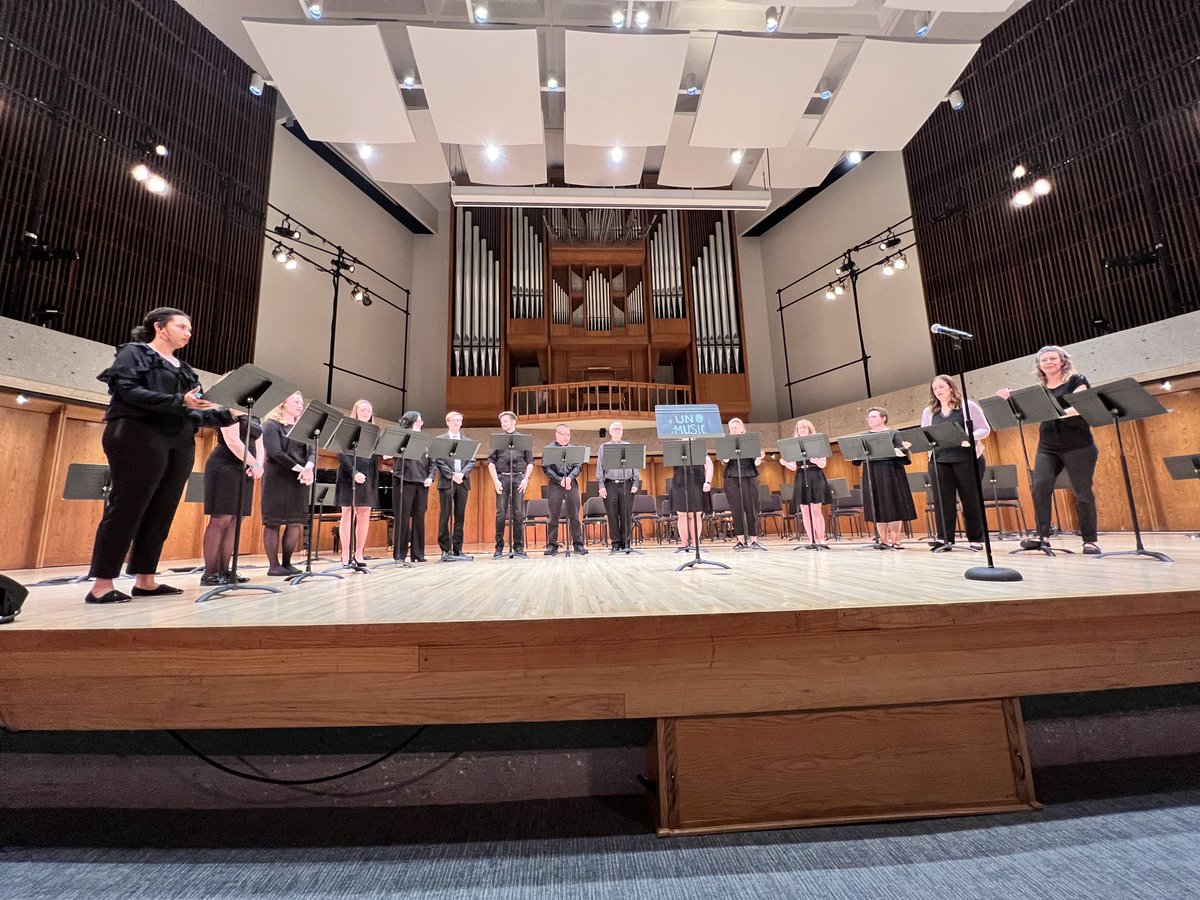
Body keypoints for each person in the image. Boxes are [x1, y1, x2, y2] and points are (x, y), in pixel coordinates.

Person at [85, 307, 239, 603]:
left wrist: (227, 415)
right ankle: (102, 584)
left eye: (190, 328)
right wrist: (179, 401)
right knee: (127, 507)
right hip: (137, 434)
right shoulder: (135, 353)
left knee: (162, 510)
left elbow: (194, 412)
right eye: (182, 326)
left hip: (179, 440)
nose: (188, 332)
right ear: (159, 327)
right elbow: (128, 391)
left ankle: (145, 579)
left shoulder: (185, 370)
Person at [998, 345, 1100, 554]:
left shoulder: (1076, 380)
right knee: (1040, 486)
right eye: (1044, 360)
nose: (1048, 362)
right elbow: (1025, 410)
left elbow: (1080, 406)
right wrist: (1009, 397)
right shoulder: (1040, 390)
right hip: (1048, 445)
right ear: (1039, 365)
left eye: (1053, 358)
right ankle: (1042, 536)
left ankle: (1090, 540)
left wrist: (1053, 412)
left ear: (1062, 361)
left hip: (1078, 443)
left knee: (1082, 492)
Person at [921, 375, 991, 552]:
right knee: (942, 501)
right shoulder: (929, 412)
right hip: (939, 460)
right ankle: (945, 538)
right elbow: (925, 434)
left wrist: (968, 437)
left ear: (951, 387)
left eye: (941, 386)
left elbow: (984, 429)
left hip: (967, 459)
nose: (938, 390)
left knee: (971, 499)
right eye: (935, 388)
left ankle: (976, 538)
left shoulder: (967, 406)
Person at [201, 412, 263, 585]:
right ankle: (210, 573)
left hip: (246, 469)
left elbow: (260, 444)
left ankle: (225, 571)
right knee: (221, 519)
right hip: (225, 466)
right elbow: (232, 440)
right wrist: (254, 464)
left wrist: (259, 465)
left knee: (236, 521)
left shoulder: (255, 414)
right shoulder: (229, 408)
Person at [261, 391, 315, 576]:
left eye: (301, 403)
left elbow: (312, 452)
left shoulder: (304, 429)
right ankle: (273, 566)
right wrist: (301, 469)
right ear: (283, 403)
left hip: (299, 480)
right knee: (273, 522)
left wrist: (309, 467)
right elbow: (275, 452)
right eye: (296, 402)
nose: (301, 406)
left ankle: (287, 563)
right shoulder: (271, 425)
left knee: (294, 522)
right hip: (277, 478)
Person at [856, 406, 916, 549]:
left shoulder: (894, 433)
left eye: (873, 416)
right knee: (877, 505)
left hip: (891, 471)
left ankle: (895, 540)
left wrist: (895, 451)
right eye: (868, 417)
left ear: (883, 418)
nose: (870, 419)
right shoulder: (864, 436)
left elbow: (903, 450)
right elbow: (857, 457)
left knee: (893, 504)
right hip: (871, 472)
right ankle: (883, 540)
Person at [335, 399, 378, 566]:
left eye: (369, 411)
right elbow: (341, 453)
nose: (366, 413)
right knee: (348, 512)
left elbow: (376, 454)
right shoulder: (346, 429)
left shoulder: (374, 432)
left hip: (369, 474)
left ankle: (359, 553)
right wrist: (354, 472)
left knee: (364, 512)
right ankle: (345, 553)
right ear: (356, 411)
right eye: (363, 410)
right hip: (349, 474)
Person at [488, 410, 533, 559]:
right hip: (502, 478)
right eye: (502, 422)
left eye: (506, 421)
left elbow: (530, 462)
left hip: (519, 478)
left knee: (519, 513)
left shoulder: (523, 439)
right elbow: (491, 462)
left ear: (514, 422)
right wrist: (495, 480)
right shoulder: (497, 439)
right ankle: (499, 547)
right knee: (501, 512)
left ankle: (518, 547)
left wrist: (526, 479)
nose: (503, 424)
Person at [393, 410, 435, 563]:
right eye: (417, 421)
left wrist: (430, 476)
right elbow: (390, 455)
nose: (420, 424)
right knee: (402, 517)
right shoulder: (400, 437)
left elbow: (432, 461)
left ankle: (418, 553)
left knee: (419, 517)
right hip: (404, 480)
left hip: (422, 482)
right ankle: (400, 554)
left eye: (421, 421)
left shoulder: (425, 440)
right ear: (409, 421)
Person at [780, 418, 830, 547]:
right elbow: (793, 467)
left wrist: (816, 461)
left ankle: (821, 539)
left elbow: (823, 464)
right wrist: (785, 463)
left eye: (804, 427)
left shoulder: (817, 443)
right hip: (801, 475)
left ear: (809, 429)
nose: (802, 430)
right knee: (804, 510)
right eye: (799, 428)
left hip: (815, 474)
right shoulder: (794, 446)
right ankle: (811, 540)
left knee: (816, 509)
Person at [434, 410, 476, 562]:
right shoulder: (440, 440)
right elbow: (439, 460)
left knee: (460, 516)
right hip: (447, 482)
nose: (457, 422)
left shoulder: (467, 440)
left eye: (459, 420)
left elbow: (471, 460)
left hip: (462, 482)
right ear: (448, 422)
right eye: (454, 420)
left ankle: (458, 549)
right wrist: (452, 475)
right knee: (445, 515)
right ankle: (445, 549)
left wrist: (462, 474)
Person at [541, 424, 587, 556]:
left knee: (574, 515)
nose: (566, 437)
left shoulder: (573, 449)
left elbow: (578, 466)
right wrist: (559, 480)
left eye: (568, 435)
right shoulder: (549, 449)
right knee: (553, 516)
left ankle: (578, 544)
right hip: (556, 484)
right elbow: (546, 468)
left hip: (571, 483)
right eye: (563, 434)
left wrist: (570, 478)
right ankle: (552, 545)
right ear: (557, 434)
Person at [597, 421, 641, 554]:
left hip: (627, 484)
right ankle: (615, 543)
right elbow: (600, 467)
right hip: (610, 485)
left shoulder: (629, 446)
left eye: (620, 429)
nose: (618, 431)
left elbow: (634, 466)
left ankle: (626, 542)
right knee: (612, 515)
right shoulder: (604, 447)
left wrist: (635, 483)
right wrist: (601, 485)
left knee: (626, 515)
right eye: (615, 429)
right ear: (610, 432)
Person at [723, 418, 766, 550]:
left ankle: (754, 540)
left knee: (751, 508)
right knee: (736, 509)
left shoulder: (750, 441)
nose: (734, 430)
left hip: (749, 475)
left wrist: (759, 457)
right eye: (731, 428)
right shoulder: (726, 442)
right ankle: (740, 540)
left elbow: (756, 462)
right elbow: (725, 460)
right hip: (732, 477)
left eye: (736, 427)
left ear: (742, 428)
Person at [668, 440, 713, 552]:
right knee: (682, 515)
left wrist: (708, 482)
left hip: (697, 483)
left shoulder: (700, 450)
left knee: (696, 514)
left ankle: (695, 543)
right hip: (679, 484)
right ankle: (684, 544)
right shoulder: (676, 451)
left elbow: (709, 466)